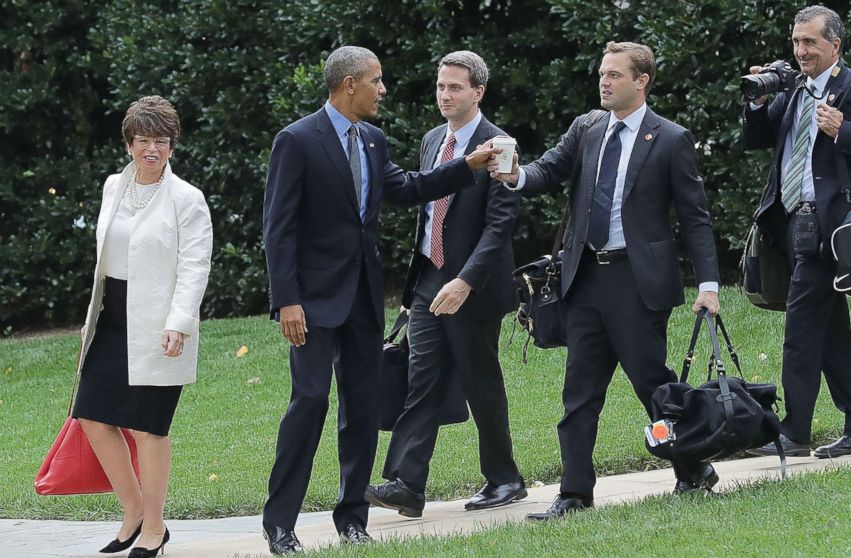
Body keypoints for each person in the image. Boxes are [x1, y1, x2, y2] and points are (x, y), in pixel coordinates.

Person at [261, 46, 499, 553]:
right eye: (376, 80)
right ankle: (280, 524)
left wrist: (468, 166)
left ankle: (352, 518)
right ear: (349, 85)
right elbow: (277, 229)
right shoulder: (297, 140)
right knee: (309, 403)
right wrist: (287, 300)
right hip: (311, 304)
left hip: (363, 301)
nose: (383, 89)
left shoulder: (372, 139)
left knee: (363, 410)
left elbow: (408, 188)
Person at [489, 41, 722, 520]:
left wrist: (709, 285)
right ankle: (574, 493)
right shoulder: (588, 127)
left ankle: (692, 467)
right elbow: (548, 170)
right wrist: (512, 175)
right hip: (586, 279)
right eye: (602, 73)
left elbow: (695, 219)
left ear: (642, 81)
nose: (604, 81)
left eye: (615, 74)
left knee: (652, 386)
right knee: (579, 393)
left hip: (637, 283)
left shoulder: (671, 138)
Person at [741, 6, 851, 459]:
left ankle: (793, 433)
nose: (801, 51)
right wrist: (756, 103)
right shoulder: (796, 88)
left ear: (835, 45)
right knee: (832, 333)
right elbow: (758, 137)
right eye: (796, 42)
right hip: (793, 226)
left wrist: (845, 131)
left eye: (810, 42)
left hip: (829, 228)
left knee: (800, 331)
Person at [365, 51, 525, 518]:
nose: (445, 95)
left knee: (481, 381)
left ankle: (505, 479)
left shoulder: (500, 144)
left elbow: (500, 226)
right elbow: (426, 204)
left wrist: (465, 282)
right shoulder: (434, 138)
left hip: (473, 286)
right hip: (429, 279)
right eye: (440, 87)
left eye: (455, 87)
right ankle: (406, 484)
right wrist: (427, 278)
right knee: (422, 379)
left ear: (478, 92)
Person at [72, 95, 213, 558]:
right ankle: (133, 512)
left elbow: (196, 266)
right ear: (129, 143)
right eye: (143, 140)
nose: (152, 148)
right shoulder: (115, 185)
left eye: (162, 141)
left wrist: (179, 323)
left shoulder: (187, 199)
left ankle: (155, 528)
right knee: (92, 415)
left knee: (150, 428)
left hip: (159, 323)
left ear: (172, 145)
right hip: (112, 317)